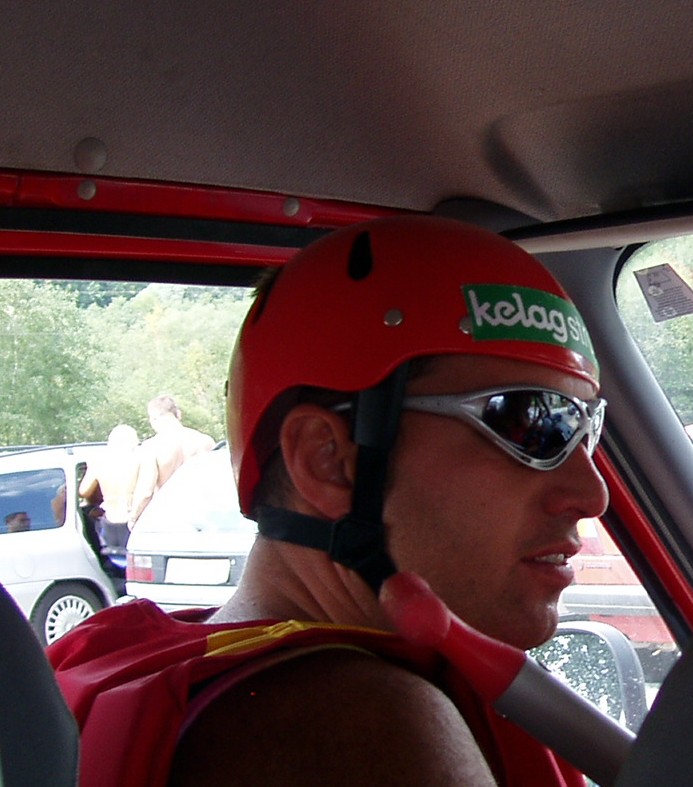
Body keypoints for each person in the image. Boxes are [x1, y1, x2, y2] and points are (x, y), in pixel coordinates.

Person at [50, 216, 609, 786]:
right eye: (532, 423)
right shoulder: (362, 726)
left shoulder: (133, 659)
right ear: (329, 461)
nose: (593, 495)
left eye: (588, 429)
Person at [128, 395, 215, 527]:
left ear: (153, 418)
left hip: (167, 515)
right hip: (202, 514)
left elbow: (146, 491)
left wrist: (133, 517)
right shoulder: (205, 441)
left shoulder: (152, 447)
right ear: (178, 414)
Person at [78, 424, 140, 552]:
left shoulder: (99, 462)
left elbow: (83, 491)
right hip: (132, 519)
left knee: (113, 558)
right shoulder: (139, 461)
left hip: (110, 519)